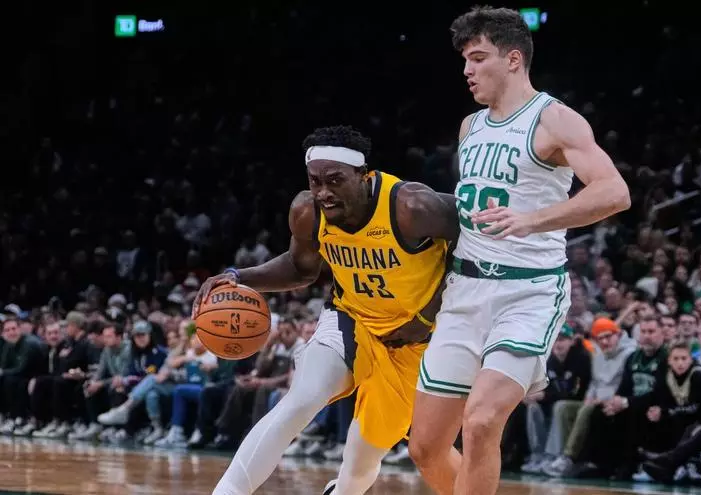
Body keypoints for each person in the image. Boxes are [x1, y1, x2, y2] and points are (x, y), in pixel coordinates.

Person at [408, 7, 631, 495]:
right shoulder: (470, 127)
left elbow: (615, 192)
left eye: (477, 58)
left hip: (526, 293)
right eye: (464, 60)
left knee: (482, 420)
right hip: (465, 290)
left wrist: (534, 219)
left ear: (513, 59)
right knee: (424, 446)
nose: (467, 70)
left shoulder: (554, 119)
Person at [198, 125, 460, 495]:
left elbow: (474, 248)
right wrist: (238, 277)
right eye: (315, 181)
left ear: (363, 175)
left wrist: (427, 315)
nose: (323, 192)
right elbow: (300, 268)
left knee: (361, 459)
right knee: (302, 399)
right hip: (351, 321)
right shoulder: (308, 211)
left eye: (335, 180)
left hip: (415, 342)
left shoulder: (412, 207)